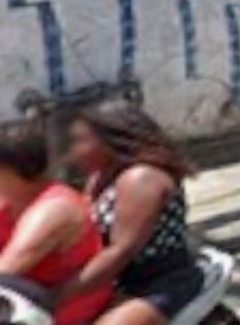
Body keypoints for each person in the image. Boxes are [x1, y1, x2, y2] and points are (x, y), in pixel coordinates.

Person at [57, 102, 201, 325]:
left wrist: (56, 296)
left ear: (111, 140)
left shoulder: (141, 178)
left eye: (81, 141)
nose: (74, 153)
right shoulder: (100, 176)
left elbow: (120, 252)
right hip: (112, 279)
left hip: (155, 282)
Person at [0, 122, 110, 325]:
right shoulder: (11, 200)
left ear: (9, 169)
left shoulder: (53, 210)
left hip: (58, 313)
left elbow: (5, 270)